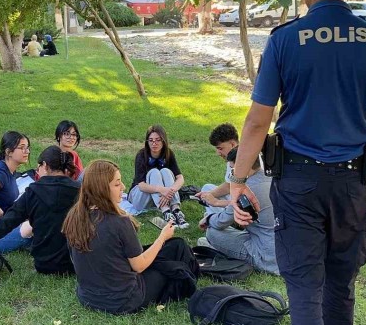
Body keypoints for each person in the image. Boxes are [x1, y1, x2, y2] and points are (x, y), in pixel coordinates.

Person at [228, 0, 366, 325]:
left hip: (298, 182)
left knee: (305, 286)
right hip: (353, 184)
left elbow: (257, 121)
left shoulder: (285, 40)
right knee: (341, 280)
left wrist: (238, 180)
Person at [62, 160, 197, 314]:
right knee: (176, 270)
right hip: (124, 299)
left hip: (88, 296)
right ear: (101, 188)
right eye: (117, 184)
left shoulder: (74, 216)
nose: (123, 187)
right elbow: (139, 266)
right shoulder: (119, 222)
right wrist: (162, 238)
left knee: (177, 245)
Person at [0, 146, 79, 275]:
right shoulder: (80, 190)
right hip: (75, 263)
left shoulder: (33, 192)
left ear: (45, 165)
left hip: (44, 264)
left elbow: (4, 224)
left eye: (38, 166)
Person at [198, 147, 278, 275]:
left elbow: (221, 222)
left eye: (233, 170)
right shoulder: (272, 177)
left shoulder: (248, 189)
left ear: (244, 167)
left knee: (212, 232)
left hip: (265, 257)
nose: (232, 175)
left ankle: (217, 247)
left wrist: (207, 219)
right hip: (286, 251)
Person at [127, 125, 189, 228]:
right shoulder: (141, 155)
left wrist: (170, 191)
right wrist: (162, 190)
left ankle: (176, 210)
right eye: (151, 140)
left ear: (163, 141)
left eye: (157, 140)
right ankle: (166, 211)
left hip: (158, 198)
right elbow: (141, 185)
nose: (154, 143)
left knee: (166, 171)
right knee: (154, 172)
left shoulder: (168, 154)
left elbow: (180, 178)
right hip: (139, 197)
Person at [194, 123, 240, 215]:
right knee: (207, 189)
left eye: (220, 148)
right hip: (236, 198)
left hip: (246, 206)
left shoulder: (244, 162)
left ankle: (213, 219)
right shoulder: (231, 159)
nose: (218, 153)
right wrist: (208, 195)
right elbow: (229, 185)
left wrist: (216, 202)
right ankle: (214, 218)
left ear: (232, 144)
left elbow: (245, 203)